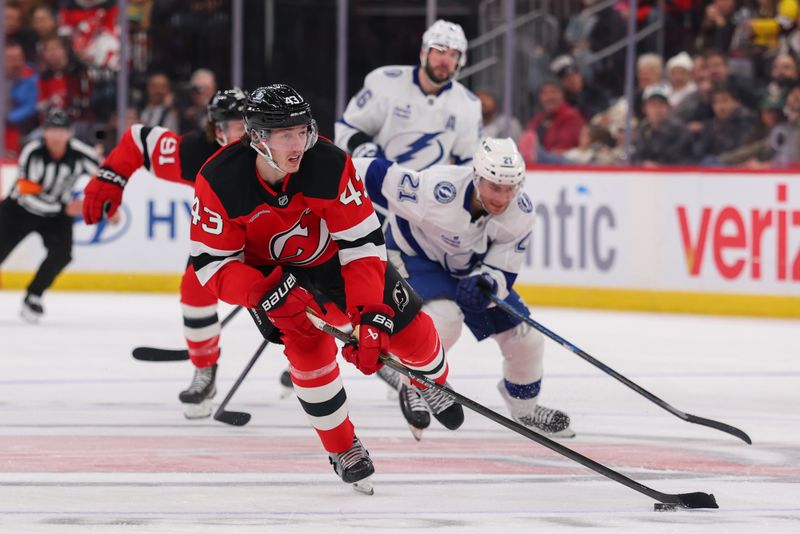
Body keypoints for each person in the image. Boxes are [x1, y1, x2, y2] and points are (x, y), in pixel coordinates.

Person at [189, 84, 464, 493]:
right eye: (286, 135)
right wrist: (265, 293)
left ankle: (431, 380)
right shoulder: (218, 180)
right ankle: (342, 447)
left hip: (339, 261)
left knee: (415, 334)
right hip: (273, 278)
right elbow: (212, 267)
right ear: (258, 137)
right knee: (309, 355)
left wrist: (370, 316)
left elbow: (363, 246)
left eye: (303, 131)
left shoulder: (331, 164)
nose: (299, 144)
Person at [354, 138, 574, 439]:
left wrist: (487, 281)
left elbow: (504, 268)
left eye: (511, 188)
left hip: (469, 270)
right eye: (495, 187)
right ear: (477, 176)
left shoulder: (521, 213)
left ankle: (524, 408)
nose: (503, 197)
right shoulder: (436, 189)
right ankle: (414, 383)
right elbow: (373, 173)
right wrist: (316, 175)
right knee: (444, 320)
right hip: (415, 257)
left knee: (526, 338)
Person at [82, 88, 255, 418]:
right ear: (217, 130)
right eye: (235, 125)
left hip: (282, 239)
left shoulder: (274, 148)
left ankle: (323, 359)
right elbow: (138, 139)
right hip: (225, 241)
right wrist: (111, 176)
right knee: (194, 287)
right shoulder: (195, 152)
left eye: (246, 123)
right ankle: (205, 369)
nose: (244, 132)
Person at [335, 19, 481, 171]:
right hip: (377, 186)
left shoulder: (469, 104)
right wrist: (368, 154)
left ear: (460, 61)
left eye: (453, 55)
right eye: (440, 51)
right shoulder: (385, 82)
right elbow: (347, 128)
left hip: (430, 191)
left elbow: (468, 161)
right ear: (424, 52)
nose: (445, 61)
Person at [0, 108, 101, 323]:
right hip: (19, 211)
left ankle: (33, 296)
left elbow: (105, 177)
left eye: (61, 130)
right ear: (44, 132)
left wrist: (108, 205)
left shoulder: (81, 154)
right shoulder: (32, 152)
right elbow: (26, 193)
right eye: (52, 130)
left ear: (69, 133)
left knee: (62, 254)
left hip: (55, 215)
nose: (56, 135)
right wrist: (64, 208)